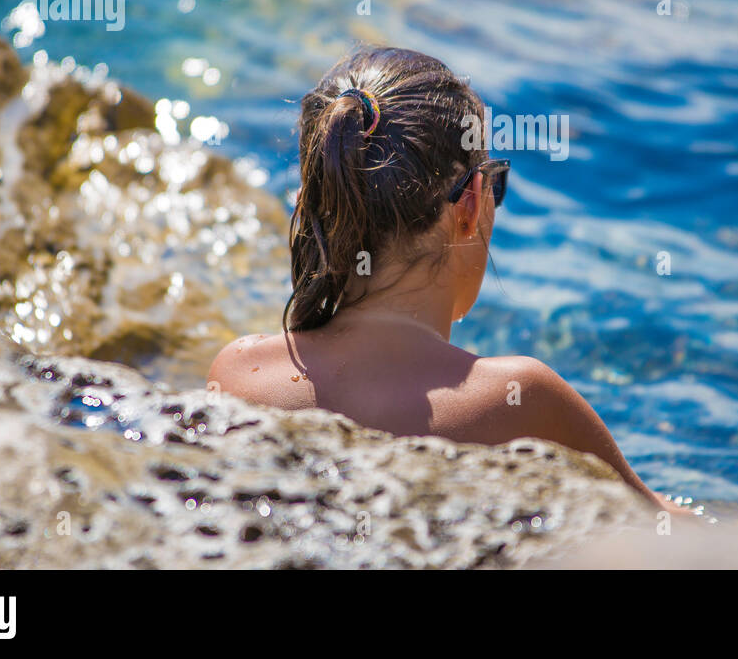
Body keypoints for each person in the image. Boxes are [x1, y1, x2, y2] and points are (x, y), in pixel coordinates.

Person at [209, 46, 682, 512]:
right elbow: (666, 535)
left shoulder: (238, 374)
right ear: (471, 205)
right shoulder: (524, 399)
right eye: (495, 183)